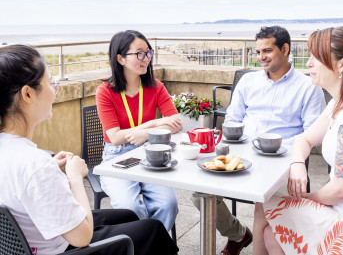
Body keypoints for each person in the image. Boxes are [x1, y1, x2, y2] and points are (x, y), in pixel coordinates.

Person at [0, 44, 179, 255]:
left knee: (128, 216)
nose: (54, 89)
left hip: (35, 237)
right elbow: (82, 236)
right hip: (63, 247)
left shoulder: (16, 153)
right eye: (50, 82)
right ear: (27, 94)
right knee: (153, 229)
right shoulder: (35, 164)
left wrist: (49, 167)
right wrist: (75, 177)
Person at [191, 26, 326, 255]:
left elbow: (312, 134)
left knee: (262, 206)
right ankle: (238, 234)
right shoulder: (248, 82)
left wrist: (274, 146)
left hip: (282, 159)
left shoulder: (308, 87)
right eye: (258, 51)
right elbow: (232, 119)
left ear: (285, 49)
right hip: (242, 154)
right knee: (199, 194)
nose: (261, 57)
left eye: (267, 50)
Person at [253, 26, 343, 255]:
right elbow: (304, 139)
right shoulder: (339, 102)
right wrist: (298, 163)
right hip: (341, 211)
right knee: (272, 235)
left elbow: (341, 191)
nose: (309, 63)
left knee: (265, 207)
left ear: (342, 65)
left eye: (316, 57)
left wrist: (304, 197)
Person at [96, 30, 182, 232]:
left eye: (148, 53)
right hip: (117, 157)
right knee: (132, 209)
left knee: (168, 205)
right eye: (139, 54)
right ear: (120, 58)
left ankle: (152, 246)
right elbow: (115, 138)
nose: (146, 59)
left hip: (150, 153)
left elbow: (176, 123)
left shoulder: (155, 86)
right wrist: (152, 125)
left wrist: (144, 134)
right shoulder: (105, 91)